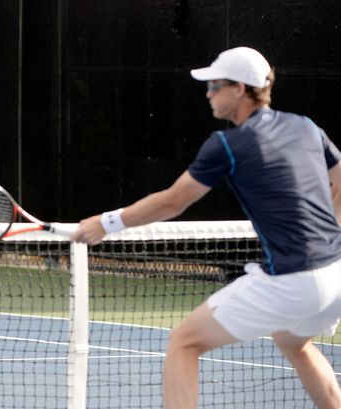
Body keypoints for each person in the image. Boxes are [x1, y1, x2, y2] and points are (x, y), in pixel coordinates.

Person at [71, 47, 341, 409]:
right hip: (337, 274)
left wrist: (103, 224)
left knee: (183, 341)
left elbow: (173, 202)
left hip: (292, 281)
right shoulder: (305, 126)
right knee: (294, 342)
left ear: (240, 89)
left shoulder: (226, 146)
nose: (208, 93)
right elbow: (339, 182)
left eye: (215, 86)